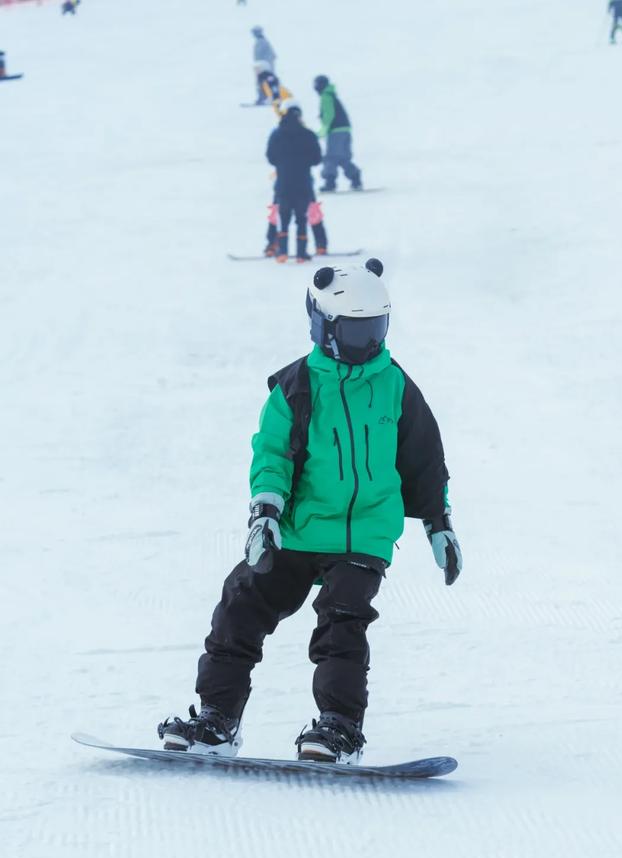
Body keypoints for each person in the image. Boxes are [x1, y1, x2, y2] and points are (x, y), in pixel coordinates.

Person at [158, 259, 463, 764]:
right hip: (299, 529)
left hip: (364, 533)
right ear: (322, 325)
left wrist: (439, 524)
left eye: (375, 329)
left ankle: (339, 728)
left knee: (342, 621)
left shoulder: (395, 385)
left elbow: (425, 458)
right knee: (241, 604)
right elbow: (272, 456)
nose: (368, 343)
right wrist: (265, 514)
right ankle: (217, 719)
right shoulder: (296, 386)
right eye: (354, 331)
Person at [265, 100, 324, 263]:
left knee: (283, 218)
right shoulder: (308, 135)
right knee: (301, 219)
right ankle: (300, 254)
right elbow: (317, 159)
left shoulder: (276, 135)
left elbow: (270, 157)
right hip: (303, 183)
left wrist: (282, 163)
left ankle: (282, 251)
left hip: (283, 184)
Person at [313, 75, 362, 192]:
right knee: (343, 158)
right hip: (345, 129)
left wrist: (322, 131)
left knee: (331, 157)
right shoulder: (332, 96)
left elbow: (329, 115)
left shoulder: (326, 96)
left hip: (335, 131)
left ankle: (330, 182)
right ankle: (355, 178)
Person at [252, 26, 276, 102]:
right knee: (263, 82)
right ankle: (264, 97)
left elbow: (271, 55)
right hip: (262, 66)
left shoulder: (262, 42)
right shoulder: (261, 41)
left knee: (263, 82)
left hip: (264, 66)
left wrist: (266, 66)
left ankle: (264, 98)